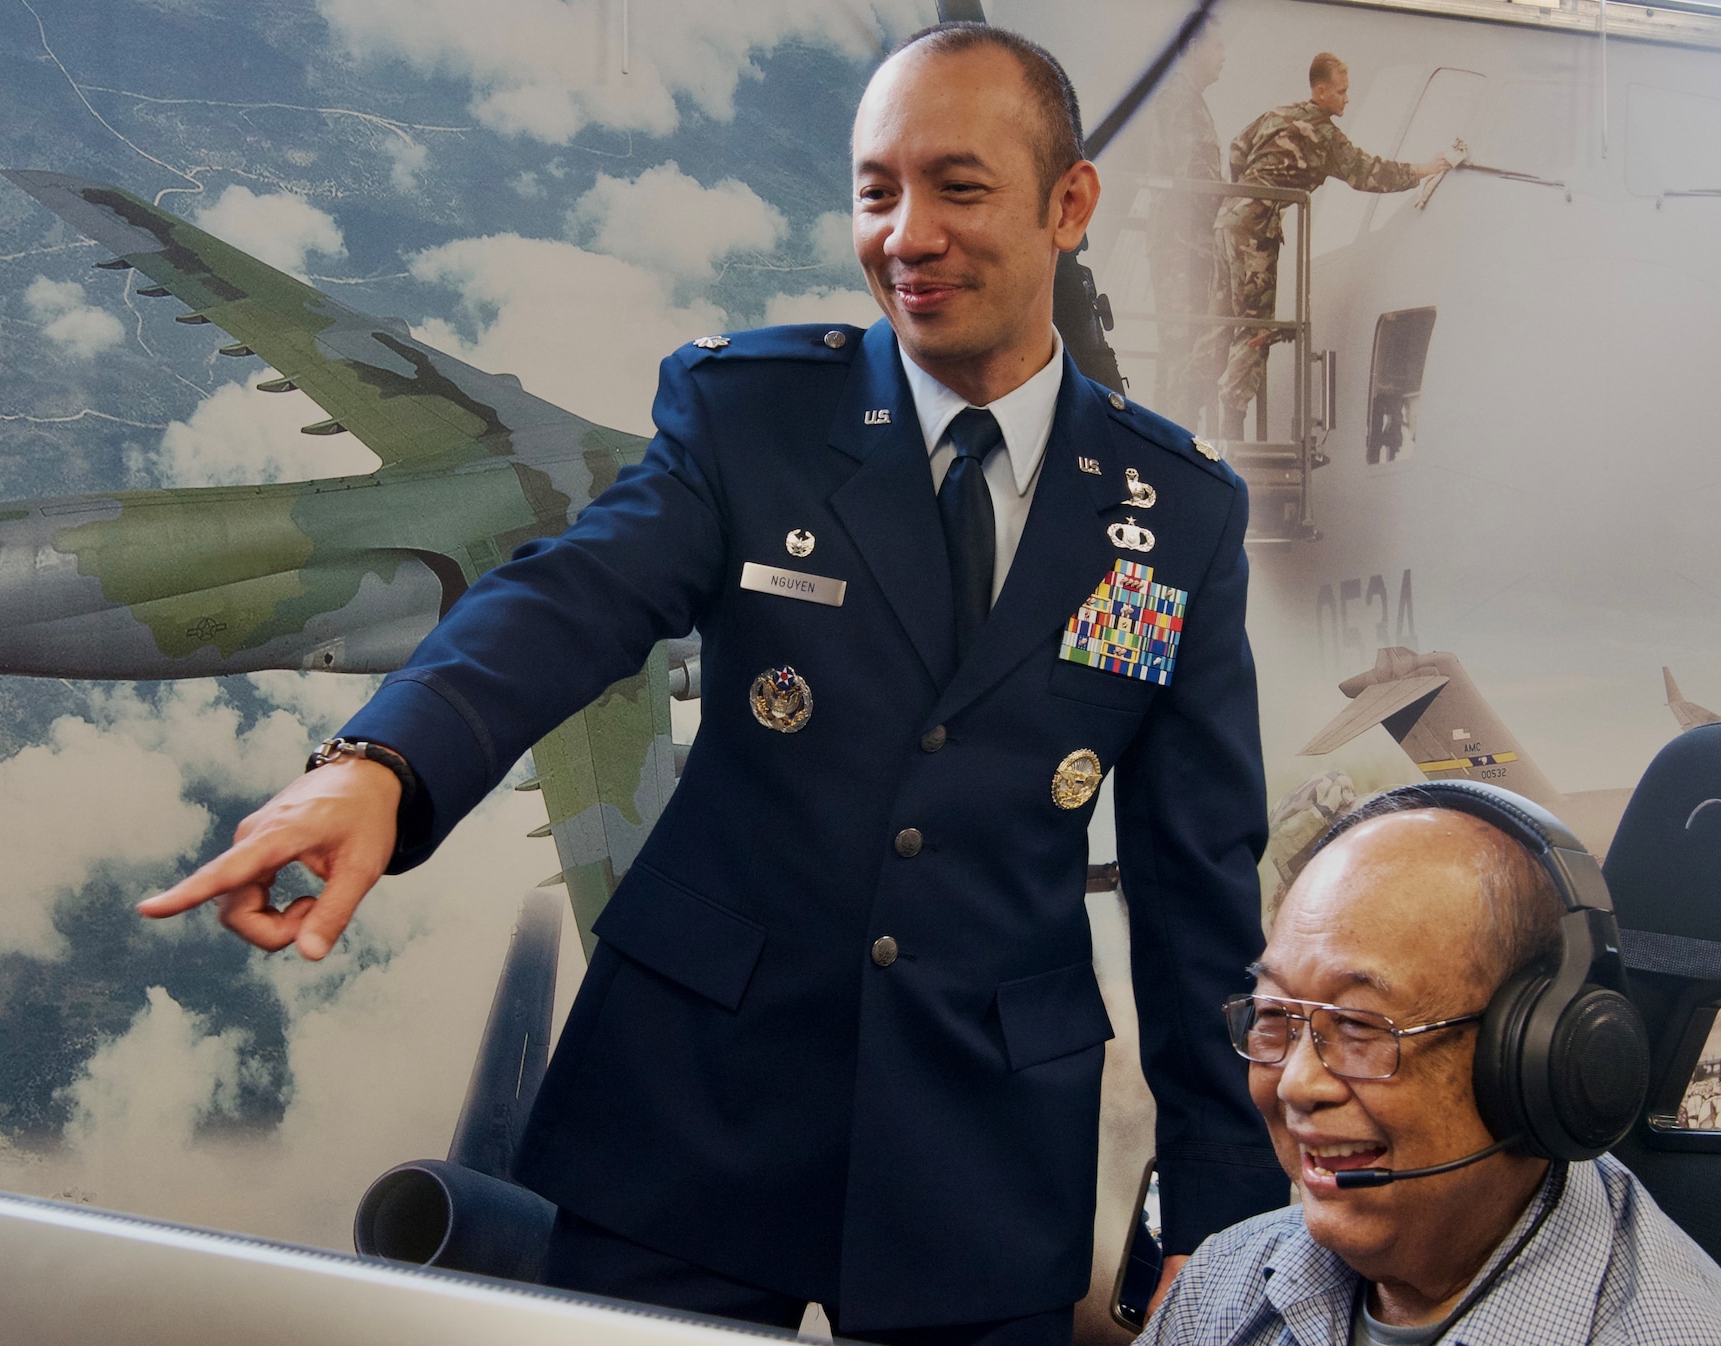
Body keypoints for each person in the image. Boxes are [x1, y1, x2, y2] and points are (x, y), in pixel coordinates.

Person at [142, 21, 1287, 1345]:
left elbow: (1200, 878)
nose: (907, 234)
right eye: (876, 190)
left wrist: (1224, 1194)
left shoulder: (1173, 510)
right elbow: (573, 595)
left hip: (977, 1158)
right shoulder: (754, 416)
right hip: (688, 1109)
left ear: (1069, 203)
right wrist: (380, 767)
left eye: (959, 188)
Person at [1140, 793, 1721, 1345]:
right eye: (1276, 1015)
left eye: (1361, 1027)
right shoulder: (1221, 1288)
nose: (1295, 1084)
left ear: (1539, 1062)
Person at [1215, 53, 1451, 438]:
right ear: (1321, 91)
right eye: (1341, 92)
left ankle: (1196, 408)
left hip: (1226, 222)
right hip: (1255, 231)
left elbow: (1237, 148)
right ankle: (1231, 419)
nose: (1347, 100)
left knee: (1221, 320)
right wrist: (1423, 170)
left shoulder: (1278, 114)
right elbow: (1367, 173)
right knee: (1255, 328)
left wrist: (1246, 192)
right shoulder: (1322, 135)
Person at [1126, 16, 1230, 434]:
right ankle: (1174, 436)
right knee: (1180, 344)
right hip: (1180, 243)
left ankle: (1178, 432)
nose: (1224, 57)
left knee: (1188, 346)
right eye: (1217, 47)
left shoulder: (1190, 100)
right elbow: (1196, 178)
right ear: (1191, 48)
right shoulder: (1178, 100)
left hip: (1193, 243)